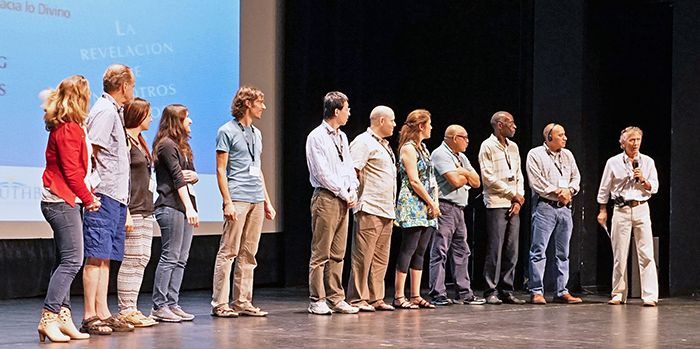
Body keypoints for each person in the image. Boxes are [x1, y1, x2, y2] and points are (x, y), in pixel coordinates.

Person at [38, 75, 102, 342]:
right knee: (73, 260)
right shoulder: (68, 129)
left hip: (66, 199)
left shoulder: (75, 126)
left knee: (63, 260)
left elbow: (79, 169)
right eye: (87, 94)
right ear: (80, 97)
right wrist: (88, 198)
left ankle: (63, 317)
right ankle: (48, 317)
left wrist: (86, 194)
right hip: (60, 200)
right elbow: (71, 171)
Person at [211, 86, 276, 318]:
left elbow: (258, 170)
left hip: (256, 199)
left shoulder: (257, 134)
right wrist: (227, 201)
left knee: (249, 253)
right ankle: (220, 303)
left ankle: (242, 301)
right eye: (260, 102)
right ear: (248, 103)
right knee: (228, 251)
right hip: (237, 196)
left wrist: (267, 201)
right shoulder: (226, 131)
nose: (264, 107)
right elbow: (220, 169)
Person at [82, 64, 135, 333]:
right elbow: (92, 151)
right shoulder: (104, 110)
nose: (133, 90)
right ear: (124, 85)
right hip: (101, 195)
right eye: (132, 85)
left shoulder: (115, 110)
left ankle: (103, 310)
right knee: (95, 255)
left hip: (115, 196)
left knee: (105, 257)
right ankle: (90, 314)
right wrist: (91, 192)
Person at [305, 91, 360, 315]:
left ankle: (336, 298)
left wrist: (353, 189)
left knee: (338, 252)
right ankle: (316, 299)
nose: (349, 113)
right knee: (321, 252)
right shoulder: (316, 136)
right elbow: (322, 172)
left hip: (343, 198)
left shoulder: (342, 137)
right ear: (336, 111)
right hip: (326, 198)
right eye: (346, 109)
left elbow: (348, 166)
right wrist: (342, 192)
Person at [597, 126, 659, 306]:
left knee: (646, 253)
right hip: (621, 209)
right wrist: (602, 210)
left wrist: (643, 180)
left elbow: (654, 187)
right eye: (632, 140)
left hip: (641, 208)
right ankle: (618, 293)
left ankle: (650, 296)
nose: (635, 144)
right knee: (619, 253)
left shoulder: (647, 162)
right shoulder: (613, 162)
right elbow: (604, 188)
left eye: (638, 140)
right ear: (622, 143)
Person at [150, 104, 200, 321]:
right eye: (186, 117)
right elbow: (177, 178)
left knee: (181, 258)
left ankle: (172, 302)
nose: (190, 121)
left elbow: (189, 174)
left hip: (184, 206)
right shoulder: (166, 145)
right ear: (176, 121)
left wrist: (195, 177)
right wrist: (189, 207)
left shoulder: (182, 146)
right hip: (170, 206)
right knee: (170, 257)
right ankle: (159, 306)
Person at [346, 106, 397, 312]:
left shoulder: (384, 145)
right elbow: (352, 171)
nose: (395, 124)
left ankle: (376, 298)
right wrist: (354, 197)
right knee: (363, 257)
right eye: (392, 121)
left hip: (386, 208)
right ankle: (357, 298)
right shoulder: (363, 142)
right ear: (382, 120)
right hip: (369, 207)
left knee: (380, 258)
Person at [428, 125, 486, 306]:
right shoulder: (441, 154)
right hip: (445, 208)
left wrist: (464, 171)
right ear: (454, 138)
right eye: (464, 137)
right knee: (440, 250)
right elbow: (454, 182)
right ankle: (438, 293)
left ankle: (465, 293)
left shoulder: (461, 157)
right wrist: (464, 175)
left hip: (459, 210)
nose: (468, 141)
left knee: (462, 251)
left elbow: (477, 182)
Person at [525, 123, 582, 304]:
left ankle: (561, 291)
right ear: (549, 137)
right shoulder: (535, 154)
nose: (565, 138)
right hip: (545, 208)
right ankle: (536, 291)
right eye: (561, 135)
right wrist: (558, 191)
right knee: (538, 251)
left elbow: (576, 177)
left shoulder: (568, 155)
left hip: (565, 209)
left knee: (563, 253)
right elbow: (536, 182)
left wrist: (569, 191)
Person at [116, 98, 158, 327]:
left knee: (142, 258)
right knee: (131, 258)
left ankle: (132, 307)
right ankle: (125, 310)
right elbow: (121, 177)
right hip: (132, 207)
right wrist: (126, 211)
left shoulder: (140, 142)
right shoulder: (124, 141)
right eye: (149, 114)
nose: (152, 118)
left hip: (145, 206)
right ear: (139, 115)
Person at [478, 111, 526, 305]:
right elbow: (487, 177)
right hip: (497, 203)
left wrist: (518, 199)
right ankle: (490, 290)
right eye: (511, 123)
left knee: (511, 249)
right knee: (495, 249)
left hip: (513, 204)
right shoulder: (487, 146)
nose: (514, 126)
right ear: (499, 124)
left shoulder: (513, 147)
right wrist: (510, 193)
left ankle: (506, 289)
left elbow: (519, 174)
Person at [393, 109, 439, 310]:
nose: (431, 127)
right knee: (408, 249)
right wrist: (430, 202)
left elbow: (431, 179)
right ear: (421, 126)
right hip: (413, 203)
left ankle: (415, 294)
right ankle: (398, 295)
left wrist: (434, 203)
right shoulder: (408, 149)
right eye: (429, 124)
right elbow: (414, 180)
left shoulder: (424, 148)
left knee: (421, 251)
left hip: (427, 204)